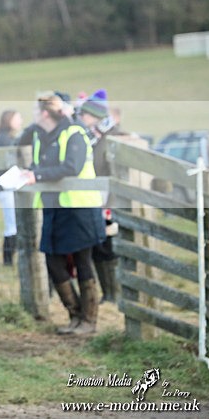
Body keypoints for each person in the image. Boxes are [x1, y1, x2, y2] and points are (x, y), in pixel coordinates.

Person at [21, 93, 106, 335]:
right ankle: (76, 315)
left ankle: (89, 321)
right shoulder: (41, 137)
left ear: (45, 113)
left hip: (79, 207)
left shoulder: (74, 133)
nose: (34, 117)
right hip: (54, 208)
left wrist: (36, 176)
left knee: (82, 261)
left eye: (37, 112)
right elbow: (41, 165)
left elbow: (72, 167)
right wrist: (27, 172)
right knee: (53, 262)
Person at [76, 88, 121, 303]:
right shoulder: (93, 137)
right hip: (97, 198)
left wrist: (109, 205)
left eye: (85, 115)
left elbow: (113, 172)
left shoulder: (112, 138)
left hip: (108, 201)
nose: (82, 118)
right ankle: (108, 293)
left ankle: (114, 293)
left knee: (108, 246)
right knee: (99, 246)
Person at [0, 109, 23, 265]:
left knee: (11, 224)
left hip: (5, 188)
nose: (20, 122)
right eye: (17, 118)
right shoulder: (5, 140)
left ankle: (9, 259)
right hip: (7, 188)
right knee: (11, 225)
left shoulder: (5, 138)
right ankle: (8, 260)